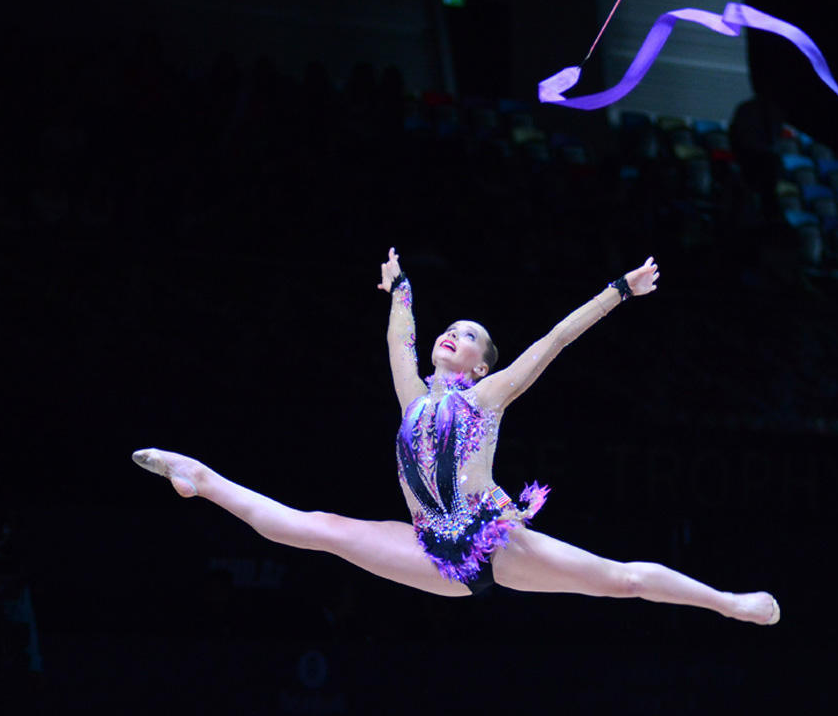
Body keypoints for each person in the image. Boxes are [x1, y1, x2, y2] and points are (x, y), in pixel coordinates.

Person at [133, 249, 780, 625]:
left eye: (469, 335)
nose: (454, 335)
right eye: (451, 328)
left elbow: (553, 341)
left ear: (481, 365)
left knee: (620, 580)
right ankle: (201, 478)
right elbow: (398, 339)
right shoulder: (414, 397)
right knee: (314, 527)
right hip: (430, 552)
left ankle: (728, 603)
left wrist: (618, 290)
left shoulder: (487, 397)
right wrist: (402, 289)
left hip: (493, 541)